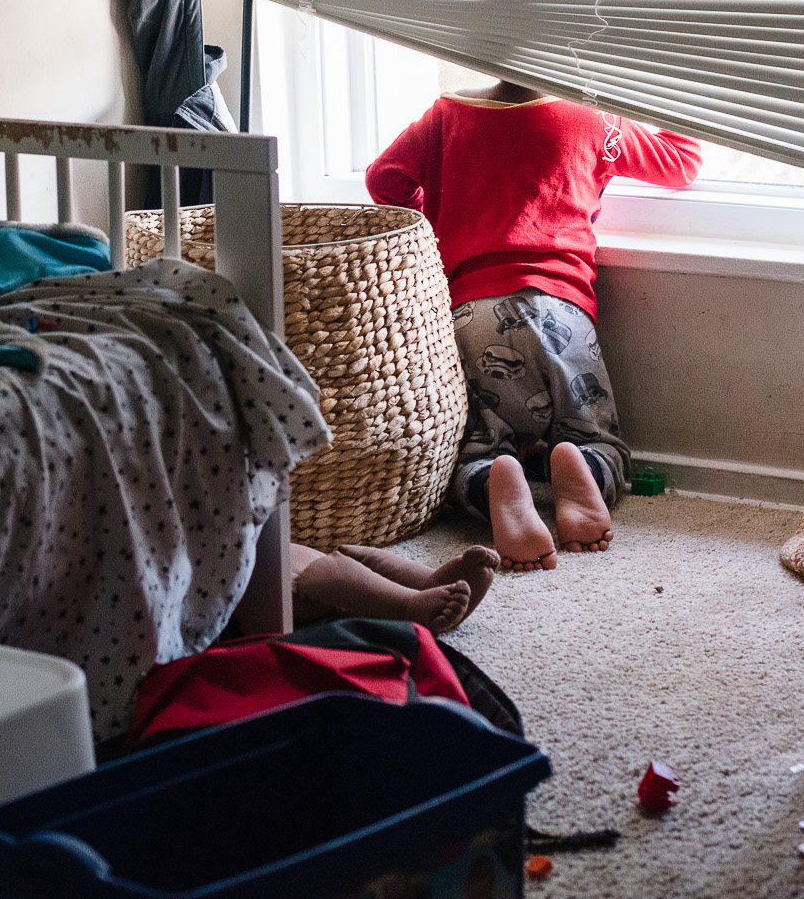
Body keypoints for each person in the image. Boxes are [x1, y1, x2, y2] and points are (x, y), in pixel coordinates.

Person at [367, 79, 701, 571]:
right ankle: (581, 465)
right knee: (600, 441)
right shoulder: (593, 118)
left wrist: (432, 228)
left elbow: (384, 178)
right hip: (563, 311)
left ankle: (495, 478)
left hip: (472, 314)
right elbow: (681, 162)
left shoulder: (445, 116)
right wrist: (675, 84)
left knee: (471, 450)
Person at [291, 542, 501, 634]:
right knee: (318, 572)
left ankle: (430, 583)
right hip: (276, 583)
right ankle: (407, 604)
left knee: (355, 555)